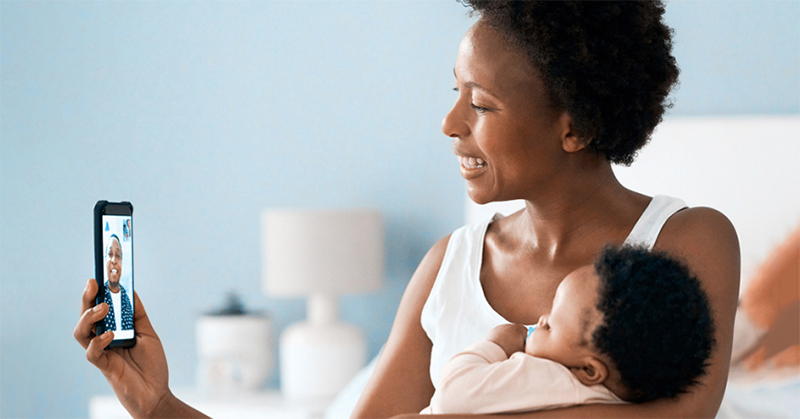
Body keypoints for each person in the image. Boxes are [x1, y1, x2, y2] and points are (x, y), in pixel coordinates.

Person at [75, 1, 739, 418]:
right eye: (454, 93)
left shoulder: (684, 241)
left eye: (480, 103)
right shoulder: (449, 265)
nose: (450, 123)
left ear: (576, 126)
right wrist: (157, 403)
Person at [421, 245, 715, 414]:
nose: (541, 319)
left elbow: (451, 398)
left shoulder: (549, 377)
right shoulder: (609, 399)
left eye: (551, 325)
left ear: (589, 370)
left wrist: (494, 346)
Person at [102, 234, 134, 333]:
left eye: (118, 256)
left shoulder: (128, 301)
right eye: (110, 254)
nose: (114, 260)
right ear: (104, 259)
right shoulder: (99, 297)